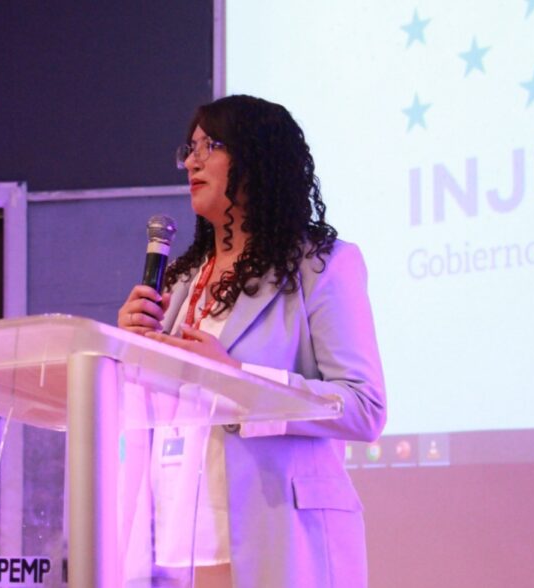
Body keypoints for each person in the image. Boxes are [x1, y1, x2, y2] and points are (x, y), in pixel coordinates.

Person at [117, 94, 386, 588]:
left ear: (258, 158)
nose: (192, 161)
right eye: (189, 148)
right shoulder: (180, 281)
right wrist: (127, 351)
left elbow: (364, 407)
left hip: (277, 538)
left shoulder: (320, 266)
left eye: (210, 146)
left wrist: (238, 381)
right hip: (173, 545)